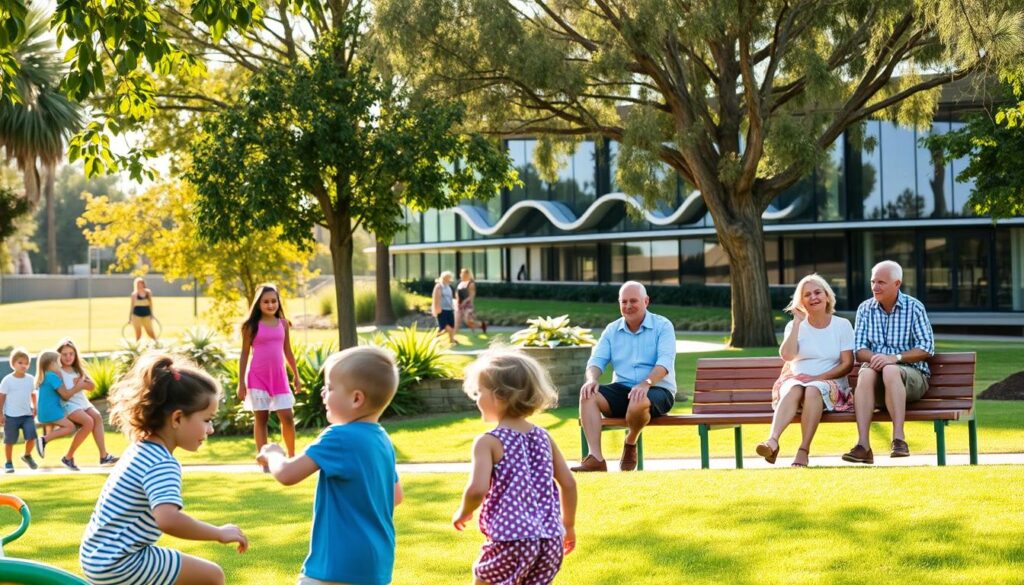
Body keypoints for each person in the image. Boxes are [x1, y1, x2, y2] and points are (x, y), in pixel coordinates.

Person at [80, 353, 248, 585]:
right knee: (212, 576)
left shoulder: (140, 449)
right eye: (207, 420)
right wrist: (218, 533)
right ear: (177, 418)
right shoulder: (161, 463)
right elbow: (168, 519)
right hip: (121, 562)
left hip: (96, 558)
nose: (210, 430)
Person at [259, 346, 403, 585]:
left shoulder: (338, 436)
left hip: (336, 564)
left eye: (331, 388)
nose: (324, 394)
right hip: (376, 563)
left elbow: (287, 474)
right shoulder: (382, 440)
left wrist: (273, 453)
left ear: (356, 398)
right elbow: (396, 496)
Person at [453, 347, 577, 585]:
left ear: (500, 396)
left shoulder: (489, 442)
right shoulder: (543, 437)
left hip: (512, 538)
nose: (477, 398)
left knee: (483, 580)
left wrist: (464, 511)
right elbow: (569, 483)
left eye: (480, 392)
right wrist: (568, 525)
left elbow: (477, 490)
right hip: (550, 540)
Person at [573, 281, 677, 472]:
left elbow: (665, 363)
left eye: (634, 301)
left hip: (658, 389)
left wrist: (646, 383)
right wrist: (592, 379)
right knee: (588, 394)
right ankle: (595, 458)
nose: (628, 306)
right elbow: (596, 361)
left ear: (646, 301)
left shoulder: (663, 326)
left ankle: (630, 441)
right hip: (623, 390)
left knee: (638, 398)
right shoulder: (612, 330)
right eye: (624, 302)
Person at [755, 275, 854, 468]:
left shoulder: (842, 325)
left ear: (827, 296)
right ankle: (772, 441)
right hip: (796, 381)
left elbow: (847, 364)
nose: (813, 297)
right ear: (801, 301)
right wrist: (798, 323)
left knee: (812, 389)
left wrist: (817, 378)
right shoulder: (794, 325)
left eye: (817, 292)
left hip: (830, 384)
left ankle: (803, 450)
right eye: (807, 294)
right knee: (795, 387)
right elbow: (787, 356)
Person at [843, 260, 934, 464]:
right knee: (865, 373)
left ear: (897, 284)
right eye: (873, 281)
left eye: (881, 282)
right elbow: (859, 350)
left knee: (891, 370)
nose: (875, 287)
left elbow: (927, 348)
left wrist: (894, 359)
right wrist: (878, 359)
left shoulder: (914, 308)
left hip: (911, 378)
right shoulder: (865, 309)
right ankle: (863, 445)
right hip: (877, 382)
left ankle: (899, 439)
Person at [238, 284, 301, 472]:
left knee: (287, 418)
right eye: (266, 301)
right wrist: (241, 383)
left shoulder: (283, 324)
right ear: (259, 304)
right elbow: (243, 354)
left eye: (274, 301)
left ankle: (291, 457)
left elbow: (288, 351)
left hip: (279, 378)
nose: (270, 304)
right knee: (261, 419)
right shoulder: (251, 326)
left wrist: (296, 376)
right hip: (258, 377)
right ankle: (264, 462)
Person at [56, 338, 119, 469]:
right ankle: (68, 457)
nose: (68, 357)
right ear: (59, 355)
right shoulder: (58, 371)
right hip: (68, 403)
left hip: (81, 402)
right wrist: (80, 385)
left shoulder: (78, 370)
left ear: (75, 355)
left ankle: (103, 456)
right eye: (64, 354)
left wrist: (82, 384)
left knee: (97, 417)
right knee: (88, 422)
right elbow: (65, 393)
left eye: (71, 354)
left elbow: (91, 386)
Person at [33, 350, 86, 466]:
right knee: (70, 427)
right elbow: (66, 395)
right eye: (58, 362)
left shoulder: (47, 376)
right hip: (51, 411)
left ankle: (44, 440)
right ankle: (43, 440)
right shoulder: (52, 377)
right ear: (51, 364)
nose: (61, 365)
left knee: (71, 425)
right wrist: (79, 386)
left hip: (47, 411)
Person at [1, 348, 39, 472]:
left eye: (26, 363)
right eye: (20, 363)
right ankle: (8, 463)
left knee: (32, 436)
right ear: (13, 364)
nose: (24, 365)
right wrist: (0, 414)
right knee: (9, 441)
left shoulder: (30, 379)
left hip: (27, 415)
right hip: (11, 416)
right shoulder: (7, 380)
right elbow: (1, 397)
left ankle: (27, 455)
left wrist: (35, 407)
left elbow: (33, 394)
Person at [456, 268, 488, 335]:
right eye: (461, 274)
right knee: (458, 321)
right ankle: (453, 337)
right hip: (459, 305)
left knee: (469, 321)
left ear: (467, 274)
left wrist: (464, 302)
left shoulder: (471, 283)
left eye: (463, 274)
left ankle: (481, 325)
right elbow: (457, 293)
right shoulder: (460, 283)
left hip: (468, 305)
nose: (461, 275)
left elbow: (471, 296)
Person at [129, 277, 158, 342]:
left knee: (150, 331)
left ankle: (156, 342)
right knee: (138, 332)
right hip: (136, 315)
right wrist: (130, 317)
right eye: (138, 284)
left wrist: (152, 314)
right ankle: (137, 346)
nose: (140, 285)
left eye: (141, 283)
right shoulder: (134, 294)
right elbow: (132, 306)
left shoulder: (148, 292)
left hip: (146, 314)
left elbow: (151, 304)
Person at [432, 271, 457, 345]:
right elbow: (436, 298)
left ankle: (435, 339)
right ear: (444, 278)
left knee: (448, 328)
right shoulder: (439, 286)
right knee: (446, 327)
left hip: (449, 309)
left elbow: (450, 298)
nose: (449, 279)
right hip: (442, 309)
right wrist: (437, 308)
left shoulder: (448, 287)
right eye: (448, 277)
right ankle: (452, 341)